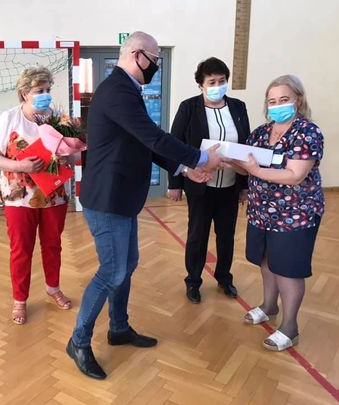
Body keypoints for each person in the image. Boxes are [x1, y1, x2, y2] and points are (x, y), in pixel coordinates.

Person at [67, 31, 222, 380]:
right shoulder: (117, 91)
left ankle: (118, 328)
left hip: (121, 197)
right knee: (112, 270)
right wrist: (199, 158)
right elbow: (154, 137)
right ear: (137, 54)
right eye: (154, 59)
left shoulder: (126, 90)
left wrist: (184, 169)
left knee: (127, 264)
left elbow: (143, 144)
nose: (156, 66)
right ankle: (78, 341)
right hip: (108, 199)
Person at [230, 75, 324, 352]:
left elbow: (295, 175)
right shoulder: (261, 133)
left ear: (298, 100)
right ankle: (269, 305)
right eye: (272, 101)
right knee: (266, 260)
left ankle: (290, 327)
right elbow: (249, 167)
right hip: (262, 210)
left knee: (288, 269)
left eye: (284, 99)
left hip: (295, 214)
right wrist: (228, 161)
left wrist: (255, 170)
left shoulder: (307, 132)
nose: (277, 105)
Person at [0, 67, 76, 325]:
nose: (45, 94)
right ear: (25, 93)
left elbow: (73, 157)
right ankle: (19, 300)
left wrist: (67, 157)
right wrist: (20, 166)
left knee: (53, 244)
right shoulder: (9, 118)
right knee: (21, 249)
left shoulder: (59, 119)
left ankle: (53, 288)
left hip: (54, 195)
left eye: (48, 90)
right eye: (39, 90)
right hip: (19, 198)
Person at [167, 57, 250, 303]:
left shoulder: (238, 107)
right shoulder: (189, 108)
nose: (217, 86)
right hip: (200, 185)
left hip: (230, 185)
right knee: (197, 236)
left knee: (226, 235)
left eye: (221, 81)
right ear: (201, 85)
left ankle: (224, 277)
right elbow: (174, 146)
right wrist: (175, 183)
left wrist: (244, 187)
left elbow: (245, 146)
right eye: (211, 82)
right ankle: (193, 281)